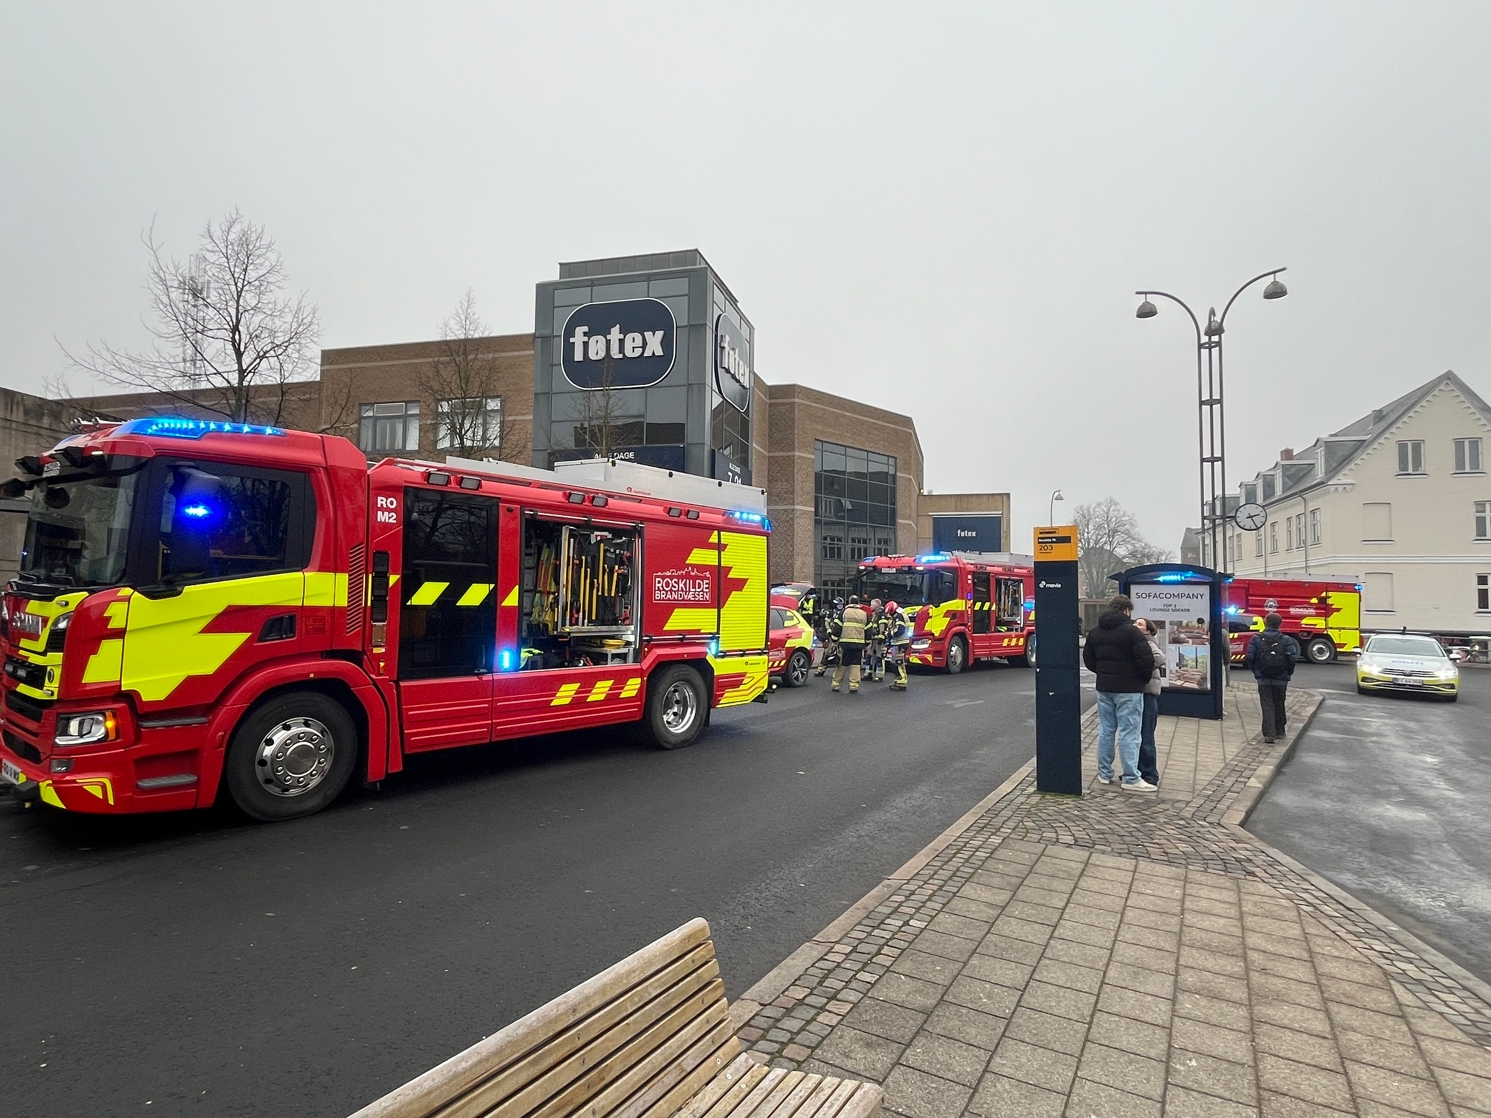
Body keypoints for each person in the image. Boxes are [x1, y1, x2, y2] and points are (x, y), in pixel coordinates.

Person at [1082, 594, 1158, 791]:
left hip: (1105, 687)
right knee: (1130, 733)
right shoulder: (1132, 633)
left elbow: (1089, 659)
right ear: (1127, 610)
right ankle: (1131, 778)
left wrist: (1103, 673)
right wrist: (1141, 679)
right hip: (1129, 689)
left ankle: (1104, 773)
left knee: (1106, 731)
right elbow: (1146, 660)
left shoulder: (1095, 631)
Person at [1244, 612, 1299, 742]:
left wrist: (1256, 671)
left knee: (1267, 704)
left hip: (1263, 678)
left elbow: (1250, 657)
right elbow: (1292, 658)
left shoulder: (1256, 639)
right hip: (1281, 678)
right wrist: (1288, 672)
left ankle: (1269, 734)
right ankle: (1280, 731)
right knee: (1279, 703)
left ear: (1265, 622)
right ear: (1280, 624)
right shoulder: (1285, 640)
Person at [1134, 617, 1164, 787]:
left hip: (1148, 695)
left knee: (1146, 736)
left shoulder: (1149, 644)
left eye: (1140, 624)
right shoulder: (1135, 642)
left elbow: (1160, 658)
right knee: (1135, 735)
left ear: (1148, 631)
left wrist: (1142, 668)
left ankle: (1150, 773)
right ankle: (1137, 770)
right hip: (1138, 693)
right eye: (1135, 623)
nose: (1135, 625)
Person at [831, 595, 870, 693]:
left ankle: (836, 684)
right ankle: (853, 686)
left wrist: (834, 640)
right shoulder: (864, 614)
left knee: (842, 664)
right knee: (856, 665)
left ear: (849, 602)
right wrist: (867, 643)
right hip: (858, 644)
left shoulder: (844, 612)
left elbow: (837, 628)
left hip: (845, 644)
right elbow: (869, 630)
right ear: (858, 603)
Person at [884, 600, 913, 691]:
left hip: (900, 643)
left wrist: (889, 634)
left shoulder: (899, 617)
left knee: (899, 663)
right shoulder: (900, 615)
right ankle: (898, 681)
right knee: (895, 664)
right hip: (899, 643)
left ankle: (902, 683)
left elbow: (899, 630)